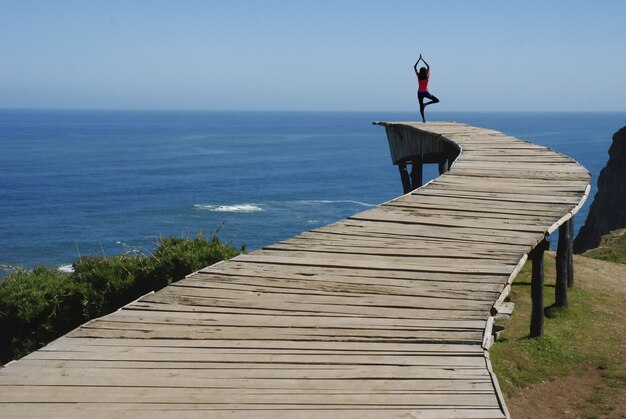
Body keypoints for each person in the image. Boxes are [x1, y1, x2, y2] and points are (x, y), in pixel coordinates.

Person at [414, 54, 440, 122]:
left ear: (420, 71)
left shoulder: (419, 76)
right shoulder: (427, 77)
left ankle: (423, 119)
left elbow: (414, 67)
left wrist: (419, 59)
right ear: (425, 71)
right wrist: (422, 59)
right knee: (437, 100)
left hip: (419, 93)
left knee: (420, 106)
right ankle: (426, 104)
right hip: (426, 92)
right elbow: (428, 66)